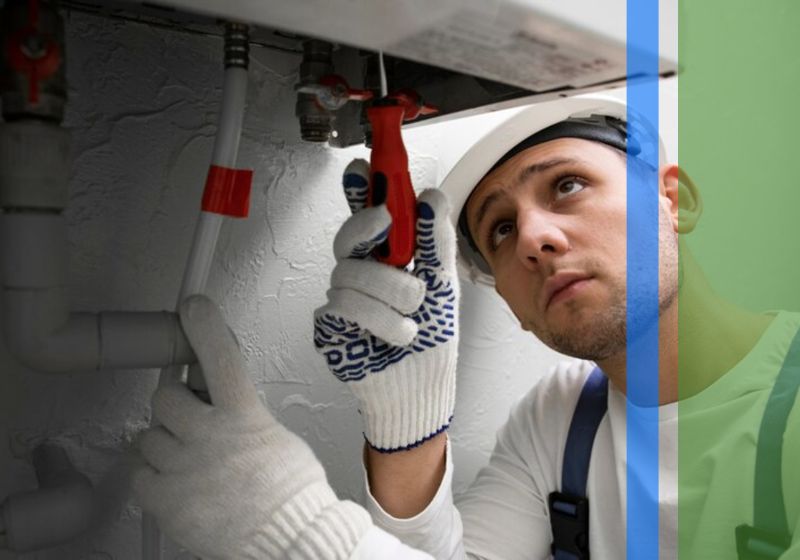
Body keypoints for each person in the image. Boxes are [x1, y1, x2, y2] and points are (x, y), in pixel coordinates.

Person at [131, 95, 800, 559]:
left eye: (567, 185)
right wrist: (406, 430)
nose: (533, 238)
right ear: (511, 305)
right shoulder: (561, 417)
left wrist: (298, 530)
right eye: (500, 229)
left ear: (673, 199)